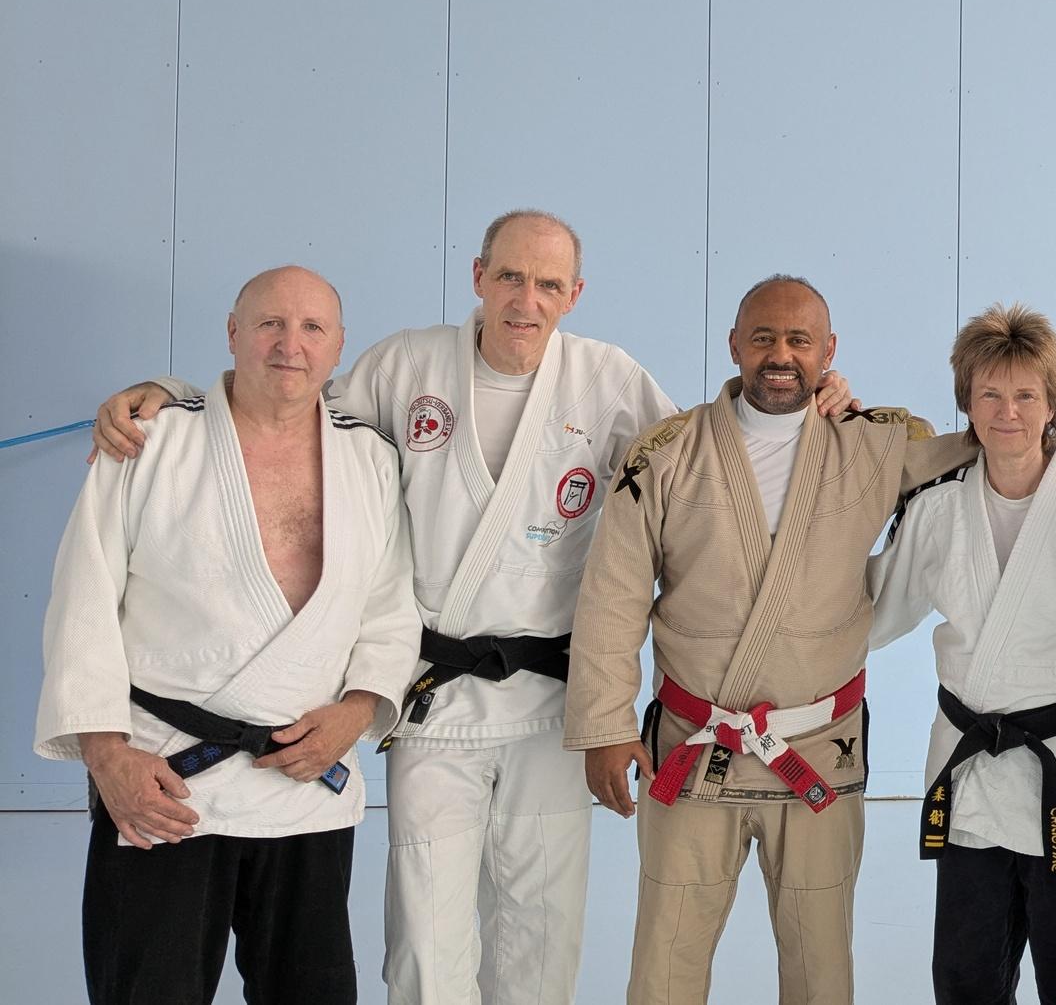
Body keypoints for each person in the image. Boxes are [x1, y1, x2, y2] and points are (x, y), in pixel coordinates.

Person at [86, 210, 751, 1005]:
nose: (524, 300)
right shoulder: (406, 366)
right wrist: (169, 391)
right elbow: (283, 406)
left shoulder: (606, 378)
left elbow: (705, 470)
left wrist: (812, 401)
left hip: (553, 700)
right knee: (425, 944)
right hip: (432, 699)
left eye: (546, 284)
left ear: (573, 294)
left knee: (542, 932)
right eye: (508, 276)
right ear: (478, 277)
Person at [563, 276, 1056, 1005]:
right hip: (693, 744)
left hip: (816, 752)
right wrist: (606, 727)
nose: (779, 354)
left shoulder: (871, 443)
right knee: (665, 963)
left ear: (827, 354)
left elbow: (1000, 440)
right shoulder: (666, 454)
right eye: (762, 337)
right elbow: (612, 594)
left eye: (799, 340)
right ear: (732, 344)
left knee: (820, 968)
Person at [37, 266, 421, 1004]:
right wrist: (106, 756)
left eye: (312, 328)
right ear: (233, 333)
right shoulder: (151, 441)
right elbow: (82, 600)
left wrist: (356, 711)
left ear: (338, 348)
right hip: (164, 779)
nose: (290, 345)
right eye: (270, 324)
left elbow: (390, 605)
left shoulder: (369, 458)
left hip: (304, 780)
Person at [866, 303, 1056, 1005]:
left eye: (1025, 394)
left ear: (1052, 403)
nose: (1007, 411)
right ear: (965, 402)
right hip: (972, 777)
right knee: (966, 982)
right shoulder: (936, 507)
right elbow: (869, 617)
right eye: (989, 393)